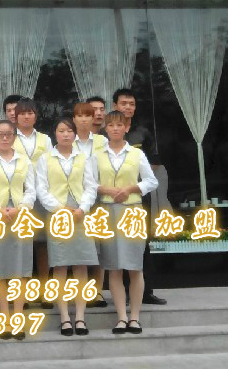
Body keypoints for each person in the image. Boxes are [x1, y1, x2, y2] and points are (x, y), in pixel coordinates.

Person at [96, 110, 158, 335]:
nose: (115, 128)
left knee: (134, 266)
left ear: (126, 128)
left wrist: (131, 188)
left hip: (132, 211)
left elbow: (151, 181)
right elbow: (89, 182)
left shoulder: (136, 154)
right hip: (108, 210)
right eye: (111, 125)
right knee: (113, 267)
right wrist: (107, 190)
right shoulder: (98, 155)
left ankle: (135, 317)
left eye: (119, 125)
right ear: (105, 128)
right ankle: (121, 317)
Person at [35, 118, 99, 336]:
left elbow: (90, 186)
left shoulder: (84, 158)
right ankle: (64, 317)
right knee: (60, 265)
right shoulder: (45, 158)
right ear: (55, 133)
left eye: (69, 131)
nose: (65, 134)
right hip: (57, 215)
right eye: (61, 130)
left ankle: (80, 317)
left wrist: (82, 208)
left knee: (81, 265)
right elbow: (41, 188)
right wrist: (59, 209)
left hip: (80, 215)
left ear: (74, 134)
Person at [0, 120, 35, 340]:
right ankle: (5, 319)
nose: (4, 138)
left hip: (21, 217)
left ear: (14, 137)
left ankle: (18, 318)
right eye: (0, 134)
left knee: (21, 269)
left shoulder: (24, 160)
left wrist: (22, 208)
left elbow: (31, 190)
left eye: (8, 134)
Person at [112, 88, 167, 306]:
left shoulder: (142, 132)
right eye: (123, 103)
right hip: (112, 198)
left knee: (141, 244)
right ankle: (122, 292)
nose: (128, 107)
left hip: (138, 197)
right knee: (117, 244)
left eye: (131, 104)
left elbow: (154, 163)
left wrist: (134, 180)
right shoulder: (107, 133)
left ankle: (145, 291)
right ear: (115, 106)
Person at [12, 98, 51, 302]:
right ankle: (22, 292)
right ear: (15, 117)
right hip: (19, 196)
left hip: (42, 196)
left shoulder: (45, 139)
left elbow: (52, 166)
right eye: (22, 113)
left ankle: (43, 290)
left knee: (42, 244)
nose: (26, 117)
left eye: (30, 113)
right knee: (19, 244)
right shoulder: (10, 137)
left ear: (36, 116)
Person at [71, 102, 108, 308]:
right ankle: (81, 292)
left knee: (99, 246)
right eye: (79, 116)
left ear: (93, 118)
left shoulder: (103, 141)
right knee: (80, 247)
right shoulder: (67, 139)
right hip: (77, 200)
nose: (84, 119)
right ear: (74, 119)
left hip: (101, 198)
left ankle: (98, 291)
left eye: (87, 116)